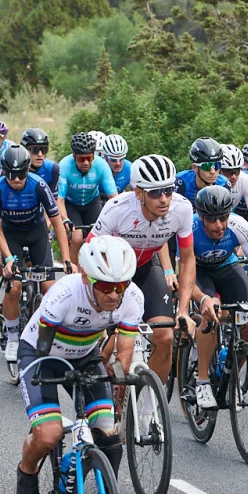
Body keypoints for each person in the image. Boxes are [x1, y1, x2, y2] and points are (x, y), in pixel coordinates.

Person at [14, 235, 142, 494]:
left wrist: (116, 395)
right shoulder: (64, 294)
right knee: (49, 434)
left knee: (107, 432)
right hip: (41, 354)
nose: (114, 295)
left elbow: (123, 358)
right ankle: (27, 473)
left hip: (84, 354)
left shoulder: (132, 299)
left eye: (120, 286)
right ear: (86, 278)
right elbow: (44, 349)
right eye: (106, 287)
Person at [87, 154, 194, 384]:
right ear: (139, 193)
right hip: (111, 273)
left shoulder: (182, 209)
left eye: (168, 190)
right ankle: (104, 398)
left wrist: (183, 310)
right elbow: (89, 253)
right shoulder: (117, 209)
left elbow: (187, 260)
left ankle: (149, 406)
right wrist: (93, 302)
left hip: (146, 267)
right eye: (155, 192)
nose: (164, 198)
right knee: (113, 344)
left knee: (165, 336)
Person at [185, 184, 248, 409]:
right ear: (201, 216)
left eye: (223, 218)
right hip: (198, 271)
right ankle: (202, 381)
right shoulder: (189, 228)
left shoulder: (239, 226)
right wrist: (203, 299)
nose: (219, 225)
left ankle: (229, 375)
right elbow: (186, 278)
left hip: (226, 266)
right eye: (212, 220)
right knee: (211, 314)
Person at [0, 144, 73, 364]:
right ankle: (14, 338)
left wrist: (66, 258)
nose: (16, 179)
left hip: (37, 233)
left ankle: (48, 335)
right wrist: (7, 259)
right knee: (14, 287)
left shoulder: (39, 185)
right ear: (4, 172)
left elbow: (56, 223)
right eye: (11, 175)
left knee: (50, 290)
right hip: (11, 236)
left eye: (21, 174)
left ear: (28, 171)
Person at [57, 132, 118, 251]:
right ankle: (74, 269)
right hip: (71, 204)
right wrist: (65, 219)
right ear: (74, 156)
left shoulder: (101, 165)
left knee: (101, 238)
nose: (86, 162)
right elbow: (60, 200)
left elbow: (114, 198)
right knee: (76, 238)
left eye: (89, 158)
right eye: (81, 159)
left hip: (92, 202)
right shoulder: (64, 166)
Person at [177, 137, 223, 203]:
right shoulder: (180, 182)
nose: (213, 172)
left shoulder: (224, 184)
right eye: (206, 166)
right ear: (194, 167)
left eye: (216, 165)